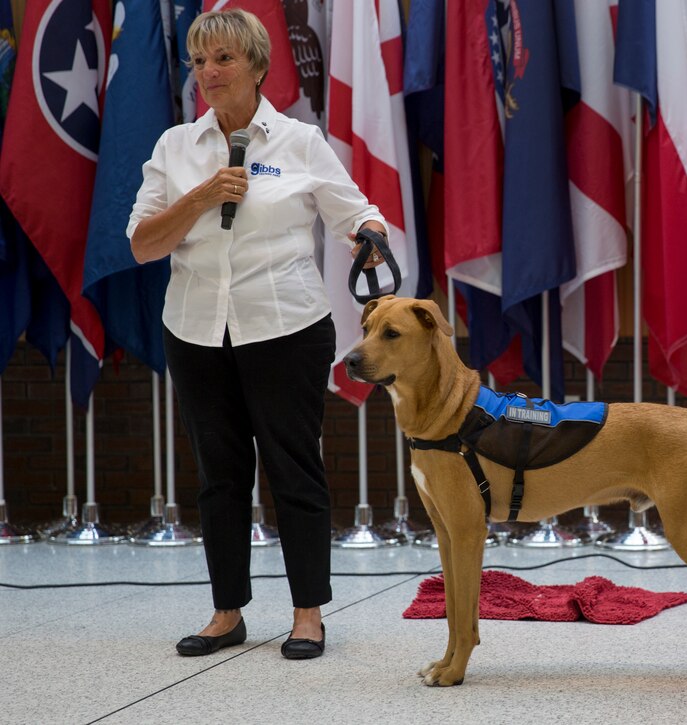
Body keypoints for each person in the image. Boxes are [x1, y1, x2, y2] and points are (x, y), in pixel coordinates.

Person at [127, 8, 388, 660]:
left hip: (286, 328)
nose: (208, 73)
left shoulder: (299, 141)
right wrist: (200, 196)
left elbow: (355, 212)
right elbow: (141, 244)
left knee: (293, 467)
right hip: (195, 330)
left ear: (257, 67)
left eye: (222, 60)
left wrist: (370, 237)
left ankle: (307, 614)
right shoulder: (174, 148)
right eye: (199, 62)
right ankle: (226, 612)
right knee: (220, 474)